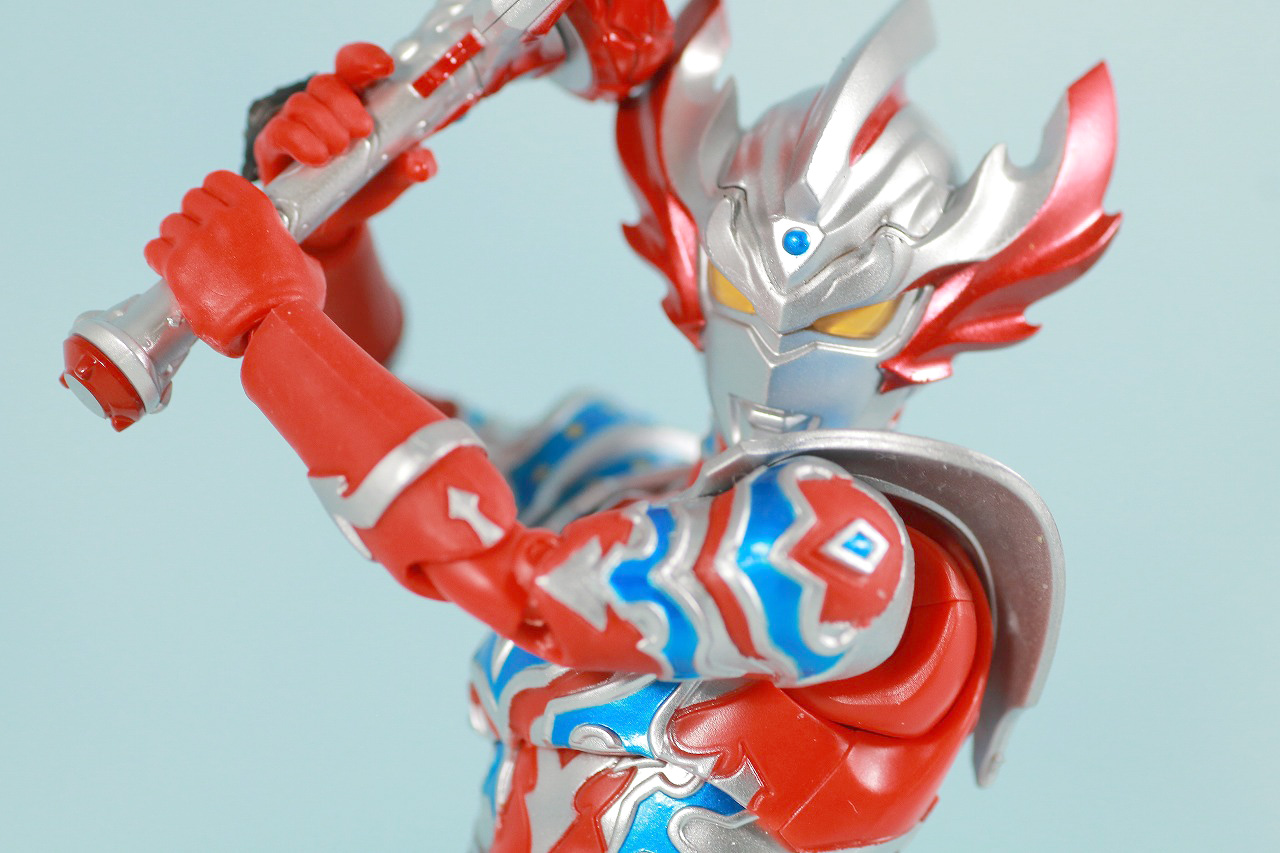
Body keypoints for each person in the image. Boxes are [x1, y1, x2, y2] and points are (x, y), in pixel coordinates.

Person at [143, 0, 1118, 848]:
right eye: (742, 288)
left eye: (848, 314)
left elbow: (485, 558)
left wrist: (272, 318)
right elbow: (393, 421)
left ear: (934, 318)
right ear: (694, 268)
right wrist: (328, 238)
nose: (776, 345)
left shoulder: (857, 556)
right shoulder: (631, 477)